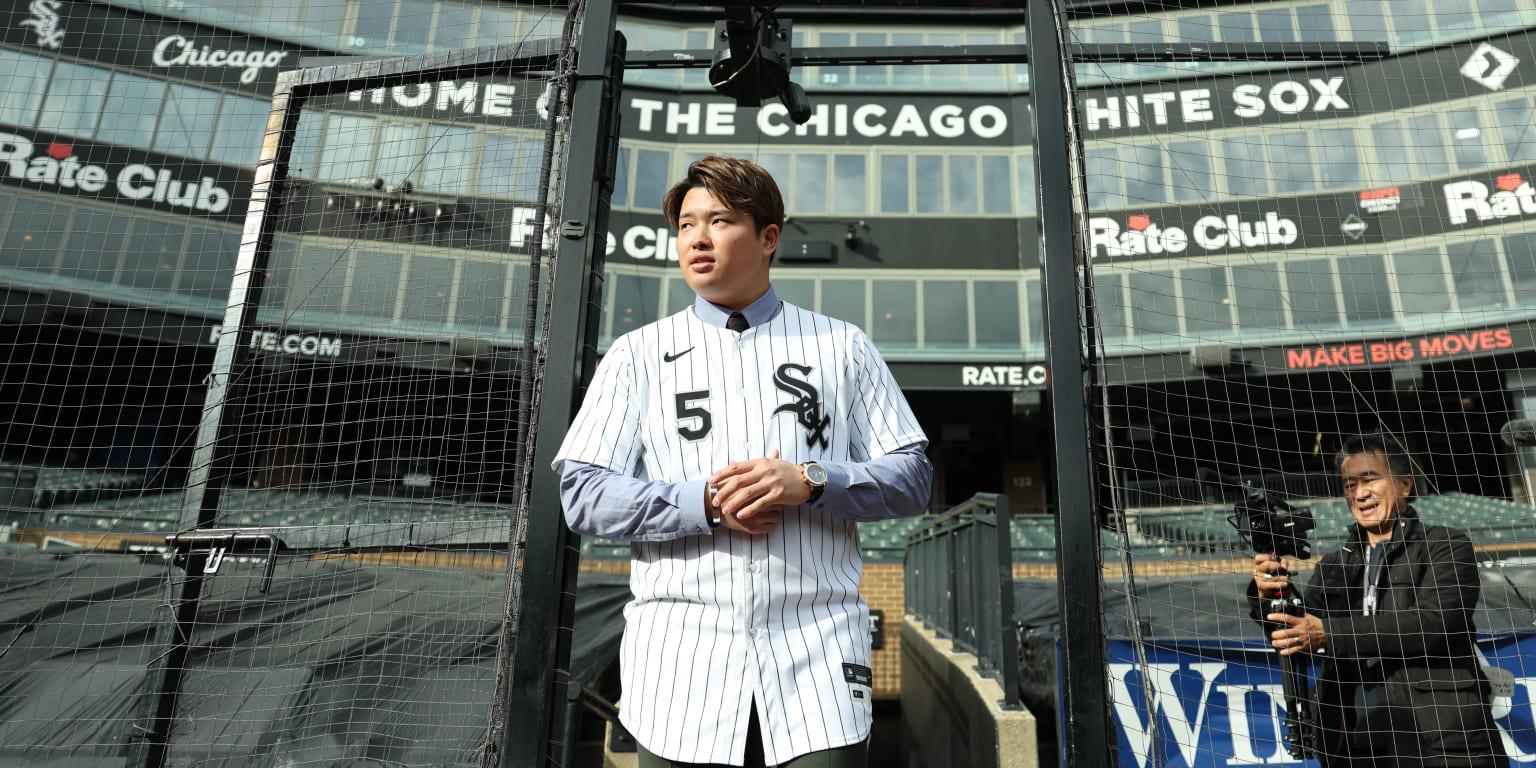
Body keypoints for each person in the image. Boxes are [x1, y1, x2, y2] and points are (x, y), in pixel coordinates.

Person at [552, 155, 932, 768]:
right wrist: (701, 502)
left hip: (817, 650)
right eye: (685, 225)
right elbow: (582, 493)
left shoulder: (841, 345)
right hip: (680, 658)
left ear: (768, 238)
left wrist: (810, 481)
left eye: (721, 221)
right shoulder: (636, 354)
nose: (698, 238)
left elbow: (913, 477)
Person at [1249, 432, 1505, 767]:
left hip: (1440, 744)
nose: (1360, 493)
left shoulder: (1446, 544)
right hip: (1351, 744)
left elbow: (1437, 622)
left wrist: (1330, 633)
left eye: (1370, 479)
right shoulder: (1335, 564)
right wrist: (1267, 595)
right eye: (1348, 485)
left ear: (1405, 485)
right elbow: (1297, 630)